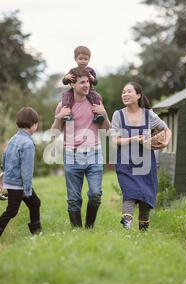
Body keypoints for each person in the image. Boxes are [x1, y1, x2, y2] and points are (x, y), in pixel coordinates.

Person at [51, 67, 111, 228]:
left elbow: (108, 130)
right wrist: (58, 117)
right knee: (73, 198)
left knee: (95, 193)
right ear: (72, 84)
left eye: (88, 82)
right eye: (82, 82)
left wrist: (104, 114)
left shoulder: (95, 102)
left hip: (94, 153)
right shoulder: (63, 105)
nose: (87, 85)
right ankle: (77, 231)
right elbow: (54, 133)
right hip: (71, 155)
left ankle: (89, 227)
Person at [110, 82, 172, 231]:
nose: (125, 94)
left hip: (146, 161)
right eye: (123, 92)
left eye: (128, 91)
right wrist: (133, 139)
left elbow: (167, 130)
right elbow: (114, 140)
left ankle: (143, 231)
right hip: (125, 162)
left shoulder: (148, 114)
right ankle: (126, 224)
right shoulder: (118, 115)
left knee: (146, 196)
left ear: (138, 95)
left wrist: (165, 143)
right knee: (130, 192)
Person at [0, 107, 42, 241]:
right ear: (33, 124)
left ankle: (37, 234)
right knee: (12, 211)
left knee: (34, 203)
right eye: (37, 123)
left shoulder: (14, 138)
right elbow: (27, 169)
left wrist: (4, 172)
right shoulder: (28, 143)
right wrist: (27, 189)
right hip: (19, 184)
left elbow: (4, 156)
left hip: (11, 180)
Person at [61, 45, 104, 124]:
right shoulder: (73, 71)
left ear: (89, 60)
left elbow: (95, 82)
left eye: (85, 59)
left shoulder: (90, 70)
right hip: (75, 90)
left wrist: (92, 79)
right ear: (76, 59)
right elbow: (65, 82)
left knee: (96, 97)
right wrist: (66, 78)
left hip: (89, 90)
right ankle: (67, 113)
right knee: (66, 95)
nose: (83, 61)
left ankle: (97, 114)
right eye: (80, 59)